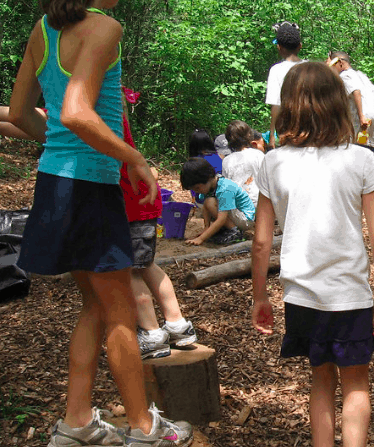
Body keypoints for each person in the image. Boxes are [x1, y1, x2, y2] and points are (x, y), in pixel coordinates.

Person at [8, 1, 193, 445]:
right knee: (120, 311)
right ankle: (144, 429)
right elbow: (75, 110)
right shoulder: (104, 27)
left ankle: (76, 424)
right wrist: (132, 158)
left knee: (94, 305)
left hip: (55, 183)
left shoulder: (44, 29)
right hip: (91, 188)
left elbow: (18, 114)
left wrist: (57, 145)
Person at [251, 61, 374, 447]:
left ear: (289, 106)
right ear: (337, 106)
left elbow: (262, 242)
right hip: (349, 293)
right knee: (356, 383)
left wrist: (259, 295)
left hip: (302, 295)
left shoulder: (272, 161)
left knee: (321, 378)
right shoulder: (361, 159)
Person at [118, 95, 197, 360]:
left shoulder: (110, 138)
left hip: (130, 209)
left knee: (131, 270)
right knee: (147, 264)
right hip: (141, 207)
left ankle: (152, 334)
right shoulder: (121, 133)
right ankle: (177, 325)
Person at [327, 51, 374, 199]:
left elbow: (356, 92)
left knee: (356, 148)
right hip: (373, 115)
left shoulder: (346, 76)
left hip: (361, 117)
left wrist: (361, 115)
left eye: (332, 65)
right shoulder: (360, 75)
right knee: (366, 147)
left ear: (340, 63)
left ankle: (362, 185)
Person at [180, 157, 255, 246]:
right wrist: (206, 228)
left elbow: (221, 218)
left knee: (210, 202)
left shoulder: (225, 188)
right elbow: (205, 208)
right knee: (208, 202)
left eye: (197, 188)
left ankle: (235, 231)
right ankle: (227, 228)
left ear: (208, 178)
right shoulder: (211, 186)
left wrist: (201, 239)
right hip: (235, 215)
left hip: (245, 219)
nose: (196, 191)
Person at [265, 20, 304, 151]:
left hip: (288, 126)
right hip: (311, 125)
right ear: (300, 46)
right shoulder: (311, 67)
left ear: (279, 47)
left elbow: (276, 104)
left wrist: (272, 134)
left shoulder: (277, 70)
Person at [222, 120, 265, 207]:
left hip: (237, 208)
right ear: (248, 135)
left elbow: (226, 188)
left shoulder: (226, 160)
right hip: (258, 205)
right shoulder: (258, 155)